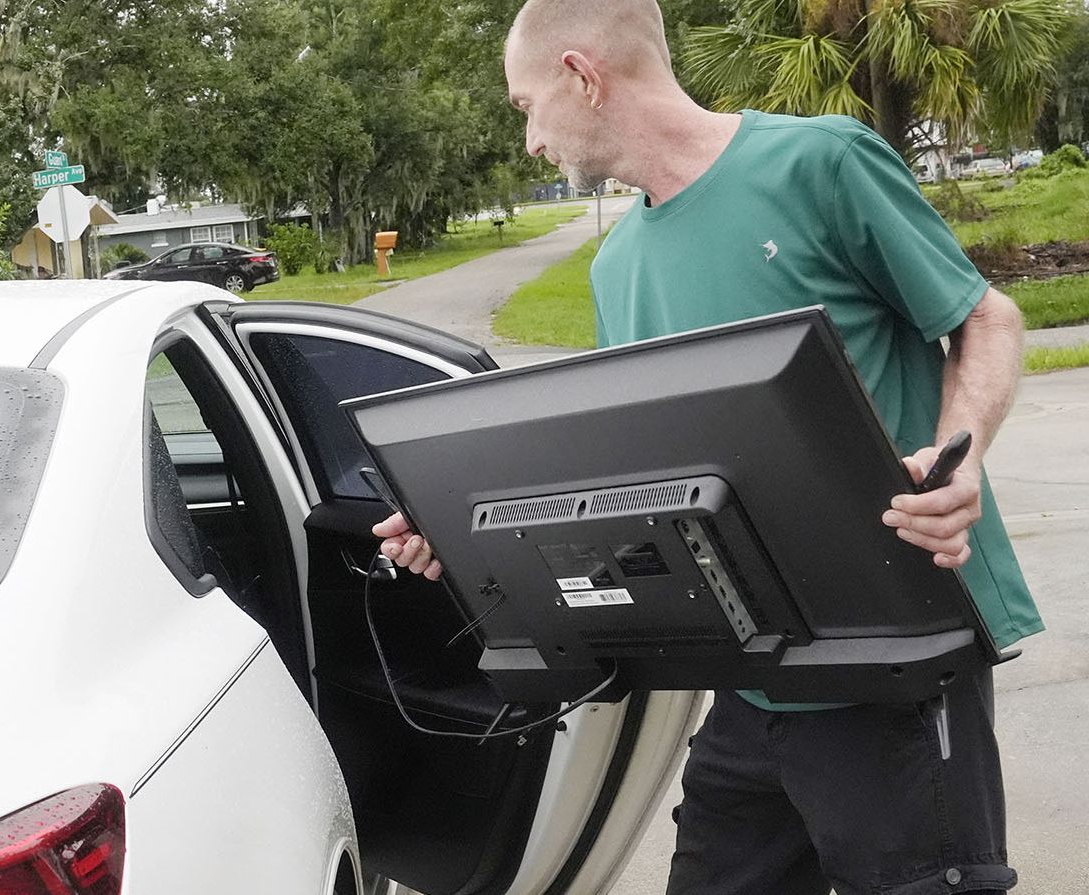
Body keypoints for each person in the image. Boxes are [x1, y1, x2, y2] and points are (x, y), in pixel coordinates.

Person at [372, 1, 1044, 892]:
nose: (530, 140)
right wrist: (452, 535)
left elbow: (983, 317)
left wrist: (957, 454)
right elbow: (632, 476)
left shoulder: (820, 163)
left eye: (524, 105)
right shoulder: (617, 269)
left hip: (896, 661)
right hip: (753, 675)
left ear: (582, 74)